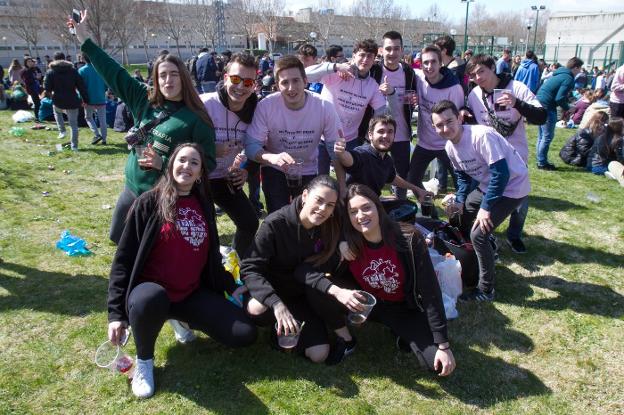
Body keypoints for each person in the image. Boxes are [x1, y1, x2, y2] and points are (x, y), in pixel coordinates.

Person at [108, 143, 257, 399]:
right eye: (182, 160)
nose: (186, 167)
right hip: (151, 292)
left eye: (194, 163)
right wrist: (115, 314)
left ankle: (177, 317)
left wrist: (231, 284)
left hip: (189, 293)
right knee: (151, 299)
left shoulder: (204, 204)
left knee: (244, 333)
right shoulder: (149, 202)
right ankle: (145, 361)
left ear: (201, 173)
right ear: (171, 164)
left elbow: (209, 256)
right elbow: (123, 261)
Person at [72, 10, 216, 244]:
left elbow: (207, 163)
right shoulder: (144, 101)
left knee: (148, 248)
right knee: (117, 237)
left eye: (174, 75)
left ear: (184, 78)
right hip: (131, 188)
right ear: (156, 80)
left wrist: (165, 165)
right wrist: (85, 40)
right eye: (162, 76)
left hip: (161, 196)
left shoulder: (196, 119)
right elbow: (114, 73)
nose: (168, 80)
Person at [298, 183, 455, 374]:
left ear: (378, 208)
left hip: (402, 308)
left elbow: (430, 291)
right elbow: (306, 269)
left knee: (436, 365)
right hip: (365, 304)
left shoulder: (408, 239)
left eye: (366, 208)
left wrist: (443, 344)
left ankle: (402, 332)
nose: (361, 215)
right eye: (353, 211)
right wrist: (339, 251)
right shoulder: (349, 243)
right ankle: (347, 340)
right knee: (317, 287)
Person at [431, 100, 530, 302]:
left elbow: (501, 174)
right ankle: (479, 254)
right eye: (439, 125)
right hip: (488, 184)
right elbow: (462, 176)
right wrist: (459, 200)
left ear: (459, 117)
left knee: (478, 233)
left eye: (449, 121)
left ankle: (486, 290)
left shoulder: (480, 135)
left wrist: (486, 208)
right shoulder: (450, 147)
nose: (445, 128)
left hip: (513, 185)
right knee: (464, 213)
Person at [241, 175, 342, 364]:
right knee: (257, 309)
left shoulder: (330, 224)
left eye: (330, 205)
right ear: (305, 195)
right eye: (318, 200)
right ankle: (276, 326)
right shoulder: (275, 224)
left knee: (319, 355)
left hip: (302, 295)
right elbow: (249, 267)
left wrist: (344, 245)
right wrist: (276, 303)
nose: (322, 209)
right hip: (273, 292)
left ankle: (288, 330)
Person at [464, 54, 546, 254]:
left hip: (516, 158)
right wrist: (463, 112)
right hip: (489, 159)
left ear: (493, 67)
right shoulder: (474, 94)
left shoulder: (516, 88)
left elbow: (541, 116)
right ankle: (485, 233)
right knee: (482, 198)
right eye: (473, 75)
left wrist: (517, 103)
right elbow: (474, 122)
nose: (478, 77)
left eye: (481, 71)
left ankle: (514, 235)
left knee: (519, 201)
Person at [245, 56, 342, 213]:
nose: (291, 88)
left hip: (308, 169)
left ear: (305, 81)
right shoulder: (266, 106)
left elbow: (335, 151)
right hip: (275, 169)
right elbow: (250, 146)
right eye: (284, 82)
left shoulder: (324, 106)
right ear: (277, 85)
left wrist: (343, 189)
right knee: (279, 218)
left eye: (296, 81)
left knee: (307, 218)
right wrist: (272, 158)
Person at [305, 39, 396, 176]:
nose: (365, 60)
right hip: (322, 138)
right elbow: (304, 75)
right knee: (319, 180)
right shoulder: (336, 74)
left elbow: (382, 114)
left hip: (349, 141)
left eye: (370, 56)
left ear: (374, 60)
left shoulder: (372, 86)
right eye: (362, 55)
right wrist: (335, 67)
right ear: (354, 56)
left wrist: (391, 94)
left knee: (350, 182)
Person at [200, 52, 259, 258]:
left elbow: (255, 147)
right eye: (235, 79)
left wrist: (244, 170)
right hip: (198, 178)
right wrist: (211, 149)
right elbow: (181, 142)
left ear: (254, 85)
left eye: (248, 81)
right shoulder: (205, 104)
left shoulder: (255, 111)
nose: (241, 87)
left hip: (225, 177)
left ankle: (236, 264)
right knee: (206, 230)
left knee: (250, 223)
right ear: (225, 78)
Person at [362, 31, 418, 199]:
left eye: (396, 49)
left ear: (402, 50)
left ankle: (400, 204)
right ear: (381, 50)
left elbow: (415, 93)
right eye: (388, 49)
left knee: (401, 172)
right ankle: (369, 202)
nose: (392, 53)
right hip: (375, 133)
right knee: (370, 171)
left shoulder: (409, 72)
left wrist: (415, 99)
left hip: (400, 133)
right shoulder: (374, 70)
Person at [407, 45, 464, 194]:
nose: (429, 66)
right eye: (425, 62)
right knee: (412, 180)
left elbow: (458, 121)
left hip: (448, 145)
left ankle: (459, 214)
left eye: (433, 62)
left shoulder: (454, 88)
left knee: (462, 185)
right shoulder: (419, 79)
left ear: (441, 63)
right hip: (424, 143)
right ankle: (428, 209)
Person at [334, 114, 429, 200]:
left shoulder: (387, 160)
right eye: (381, 131)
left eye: (390, 132)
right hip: (355, 208)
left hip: (372, 202)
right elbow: (348, 159)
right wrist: (341, 153)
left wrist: (416, 189)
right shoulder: (363, 153)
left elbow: (392, 178)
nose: (385, 136)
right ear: (370, 135)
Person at [535, 57, 584, 170]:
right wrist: (568, 107)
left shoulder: (559, 74)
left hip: (539, 101)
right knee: (547, 136)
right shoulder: (568, 78)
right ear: (576, 67)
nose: (580, 71)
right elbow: (560, 98)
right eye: (580, 68)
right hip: (547, 105)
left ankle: (540, 160)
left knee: (542, 135)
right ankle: (542, 163)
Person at [43, 51, 88, 149]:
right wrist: (85, 99)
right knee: (74, 125)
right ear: (65, 59)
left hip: (58, 100)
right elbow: (81, 86)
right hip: (72, 100)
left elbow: (47, 88)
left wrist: (49, 95)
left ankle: (62, 130)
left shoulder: (51, 72)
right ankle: (74, 146)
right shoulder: (73, 71)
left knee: (57, 112)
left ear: (54, 60)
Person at [78, 53, 108, 145]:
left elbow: (80, 87)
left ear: (84, 59)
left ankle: (96, 134)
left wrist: (81, 98)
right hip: (100, 97)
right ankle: (104, 139)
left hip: (88, 99)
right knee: (103, 120)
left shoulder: (81, 70)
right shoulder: (100, 69)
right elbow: (106, 85)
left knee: (88, 117)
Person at [20, 57, 42, 121]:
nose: (30, 63)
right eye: (28, 62)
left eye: (31, 61)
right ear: (25, 63)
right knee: (37, 103)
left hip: (38, 87)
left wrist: (39, 77)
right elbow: (26, 81)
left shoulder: (35, 69)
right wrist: (36, 78)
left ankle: (40, 115)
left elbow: (40, 76)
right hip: (31, 89)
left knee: (40, 102)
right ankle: (37, 117)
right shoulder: (24, 71)